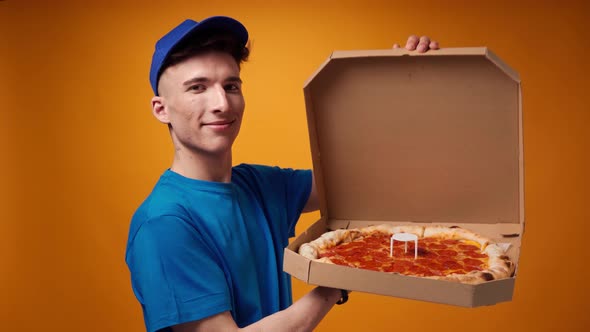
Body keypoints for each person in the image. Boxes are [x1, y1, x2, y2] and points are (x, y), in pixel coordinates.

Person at [125, 16, 438, 332]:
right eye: (198, 88)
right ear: (161, 109)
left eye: (231, 86)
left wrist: (405, 92)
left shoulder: (258, 185)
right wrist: (337, 282)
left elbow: (366, 179)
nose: (222, 103)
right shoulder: (163, 224)